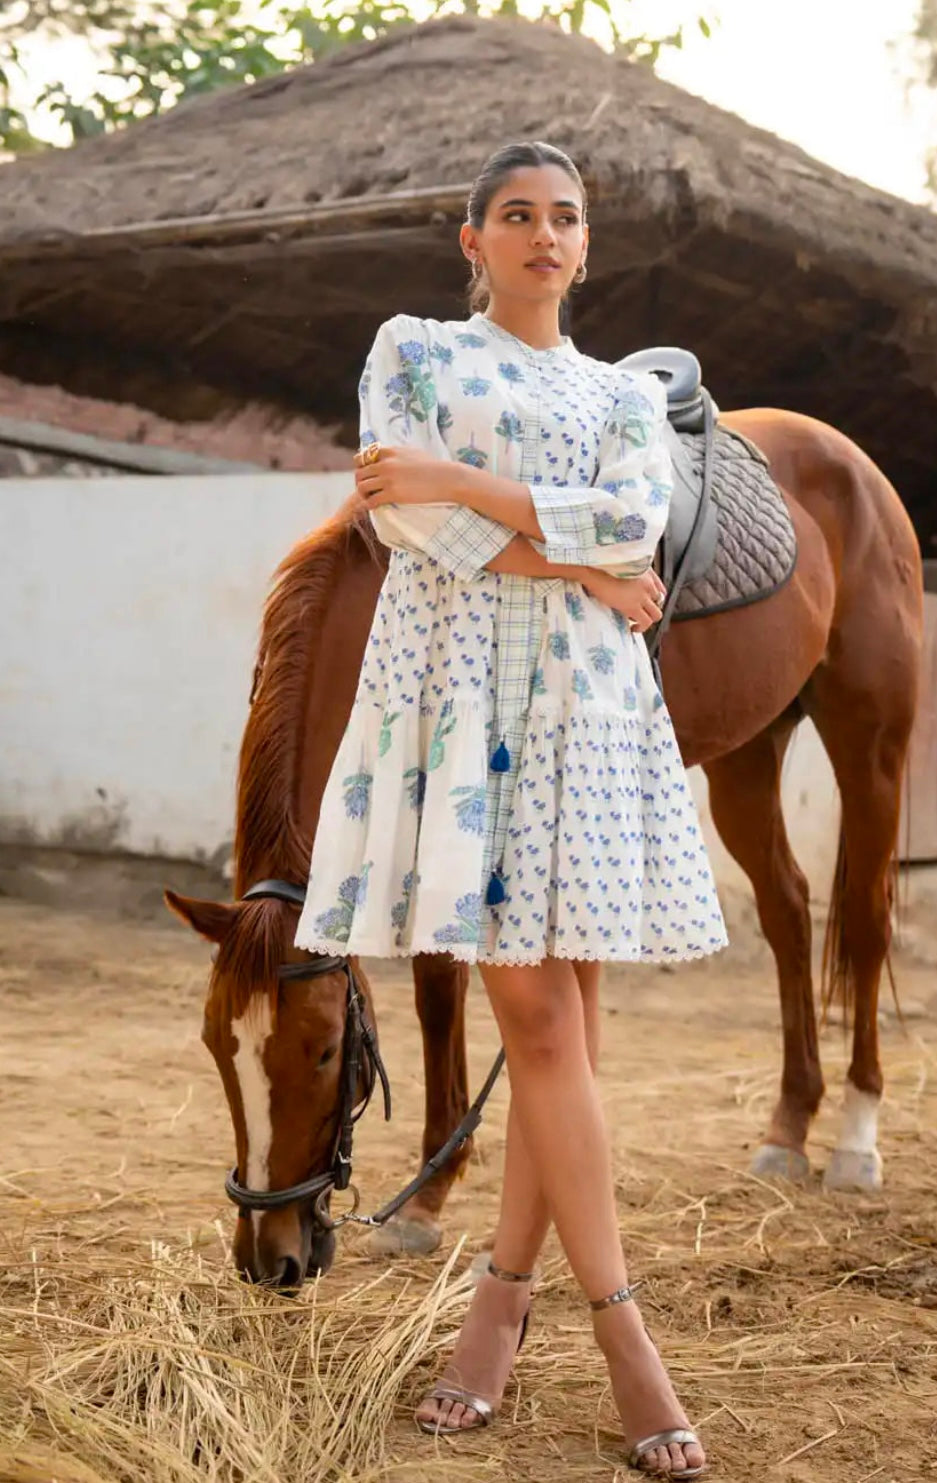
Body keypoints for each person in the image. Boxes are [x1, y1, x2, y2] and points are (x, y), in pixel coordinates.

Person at [296, 140, 726, 1479]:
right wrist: (572, 564)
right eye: (519, 217)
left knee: (566, 1025)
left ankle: (498, 1312)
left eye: (568, 219)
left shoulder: (622, 396)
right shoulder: (414, 349)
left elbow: (632, 522)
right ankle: (626, 1342)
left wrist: (479, 490)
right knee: (539, 1014)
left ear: (587, 247)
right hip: (457, 693)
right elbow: (399, 517)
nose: (546, 236)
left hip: (588, 710)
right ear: (472, 238)